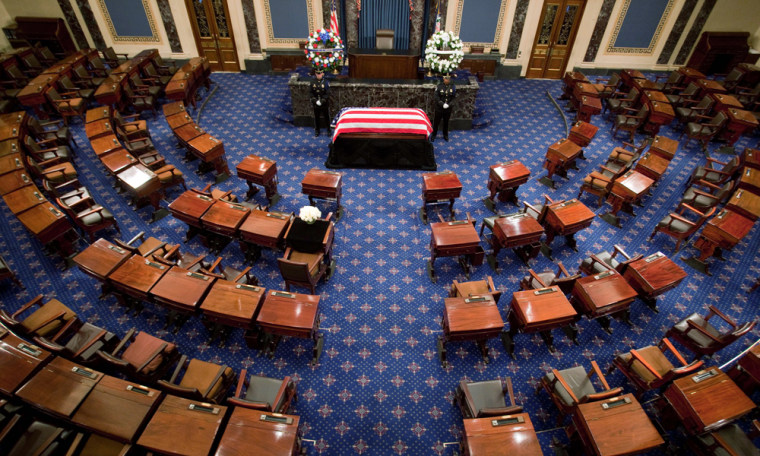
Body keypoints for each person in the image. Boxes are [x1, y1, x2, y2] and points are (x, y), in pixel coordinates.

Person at [431, 74, 456, 142]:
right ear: (443, 79)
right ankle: (434, 134)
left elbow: (453, 98)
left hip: (448, 108)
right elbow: (436, 97)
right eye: (446, 78)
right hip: (439, 108)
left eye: (448, 79)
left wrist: (449, 104)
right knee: (436, 122)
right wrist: (442, 104)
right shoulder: (439, 86)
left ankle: (445, 135)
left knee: (446, 122)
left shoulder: (452, 86)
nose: (447, 80)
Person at [310, 69, 331, 137]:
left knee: (326, 117)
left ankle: (328, 130)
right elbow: (310, 93)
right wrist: (315, 101)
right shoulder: (313, 82)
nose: (319, 75)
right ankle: (317, 130)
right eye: (317, 74)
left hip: (324, 103)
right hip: (316, 103)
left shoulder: (326, 82)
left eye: (320, 74)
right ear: (315, 74)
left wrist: (322, 101)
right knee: (317, 117)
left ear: (322, 74)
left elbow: (327, 93)